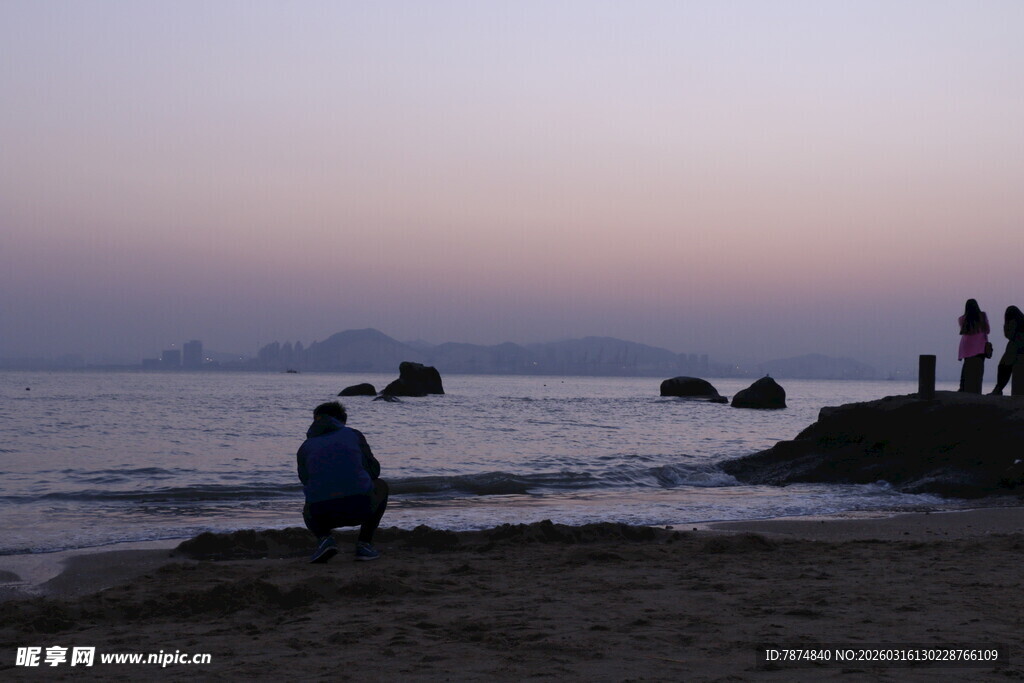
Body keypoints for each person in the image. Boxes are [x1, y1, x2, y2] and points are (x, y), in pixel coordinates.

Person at [297, 401, 389, 563]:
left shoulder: (305, 447)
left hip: (320, 514)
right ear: (343, 419)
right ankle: (364, 544)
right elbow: (374, 471)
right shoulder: (353, 435)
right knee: (381, 485)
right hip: (360, 508)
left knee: (309, 502)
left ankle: (325, 539)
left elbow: (305, 480)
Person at [990, 305, 1024, 395]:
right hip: (1018, 351)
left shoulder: (1013, 322)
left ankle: (998, 389)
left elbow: (1008, 335)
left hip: (1014, 350)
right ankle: (998, 389)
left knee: (1003, 368)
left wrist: (1005, 325)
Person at [957, 299, 990, 393]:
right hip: (980, 346)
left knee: (966, 366)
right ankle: (977, 389)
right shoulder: (982, 316)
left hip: (966, 346)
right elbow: (987, 330)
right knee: (978, 369)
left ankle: (962, 387)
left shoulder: (962, 319)